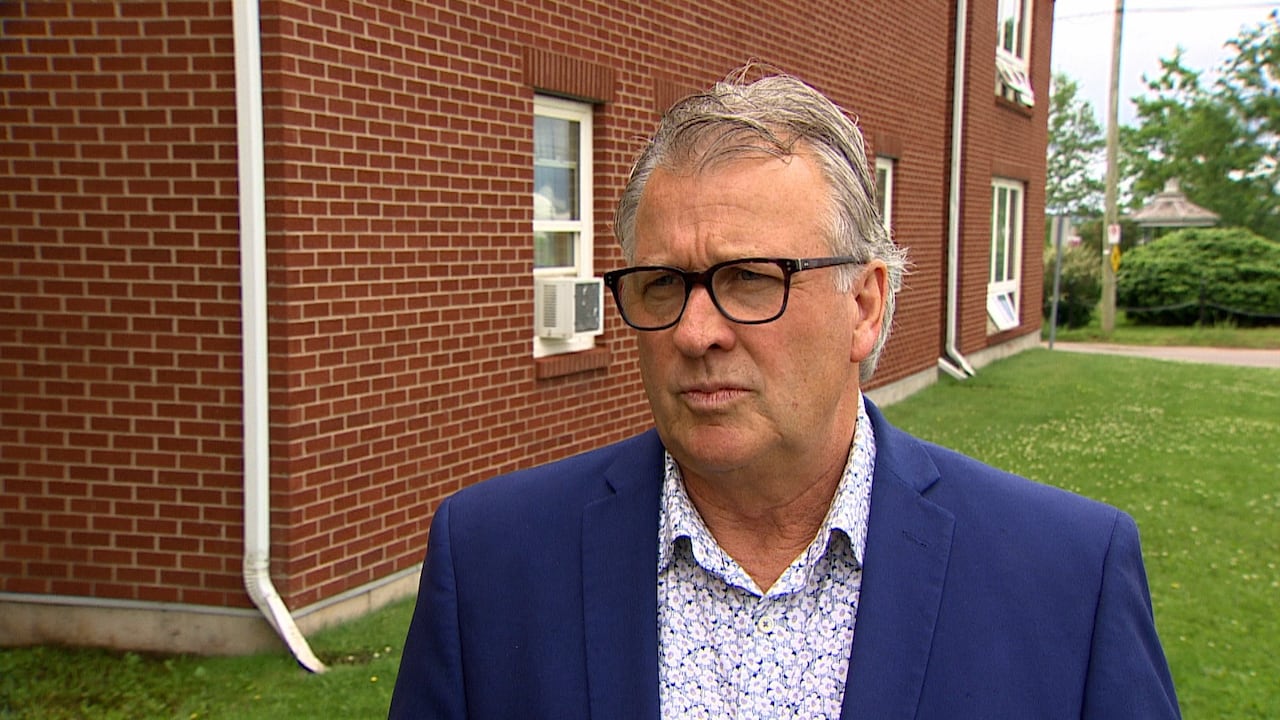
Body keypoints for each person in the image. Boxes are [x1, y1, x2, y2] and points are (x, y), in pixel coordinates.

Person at [389, 67, 1181, 719]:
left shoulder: (1068, 577)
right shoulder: (492, 563)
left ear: (864, 306)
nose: (696, 332)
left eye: (749, 278)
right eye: (663, 284)